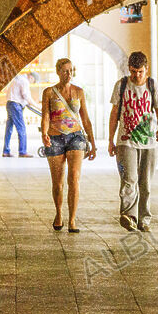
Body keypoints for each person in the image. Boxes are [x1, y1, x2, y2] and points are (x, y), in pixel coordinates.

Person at [108, 51, 158, 232]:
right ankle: (129, 216)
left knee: (145, 183)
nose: (136, 75)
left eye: (140, 71)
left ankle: (144, 219)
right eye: (133, 71)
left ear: (146, 69)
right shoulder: (121, 85)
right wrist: (110, 140)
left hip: (149, 142)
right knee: (129, 179)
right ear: (129, 69)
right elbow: (114, 113)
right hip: (126, 141)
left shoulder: (153, 85)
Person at [40, 59, 97, 232]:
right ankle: (59, 213)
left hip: (76, 137)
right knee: (57, 183)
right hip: (55, 137)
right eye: (65, 71)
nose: (68, 74)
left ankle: (72, 220)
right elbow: (46, 116)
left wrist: (92, 142)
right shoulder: (49, 92)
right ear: (58, 71)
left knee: (74, 178)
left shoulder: (79, 92)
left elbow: (85, 118)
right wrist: (44, 133)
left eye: (71, 70)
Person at [3, 71, 40, 157]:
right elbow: (26, 96)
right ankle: (22, 152)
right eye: (33, 81)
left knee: (9, 129)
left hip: (10, 103)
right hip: (16, 105)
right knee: (21, 128)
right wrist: (38, 107)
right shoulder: (24, 81)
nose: (32, 83)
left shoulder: (18, 78)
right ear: (31, 77)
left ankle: (6, 151)